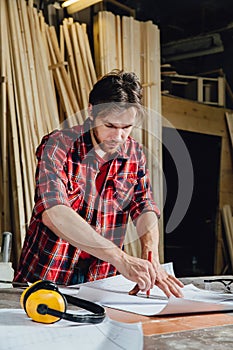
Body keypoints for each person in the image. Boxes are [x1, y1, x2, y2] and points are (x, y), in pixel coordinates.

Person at [14, 70, 183, 297]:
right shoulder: (58, 145)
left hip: (101, 281)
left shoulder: (134, 153)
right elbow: (55, 213)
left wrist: (150, 252)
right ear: (92, 111)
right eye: (110, 126)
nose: (119, 136)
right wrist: (121, 258)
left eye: (127, 127)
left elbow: (144, 205)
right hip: (49, 274)